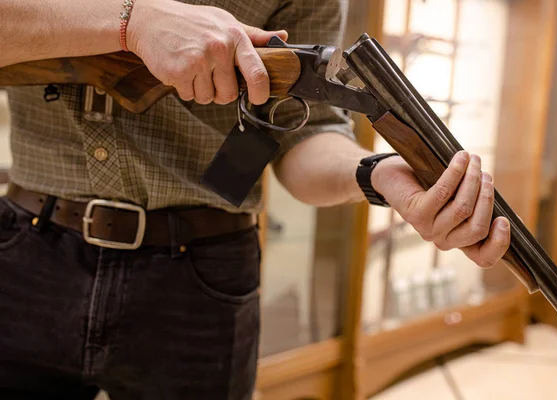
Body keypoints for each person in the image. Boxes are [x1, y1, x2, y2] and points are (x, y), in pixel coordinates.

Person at [0, 0, 511, 398]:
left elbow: (298, 138)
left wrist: (379, 175)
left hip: (200, 273)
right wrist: (133, 22)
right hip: (25, 249)